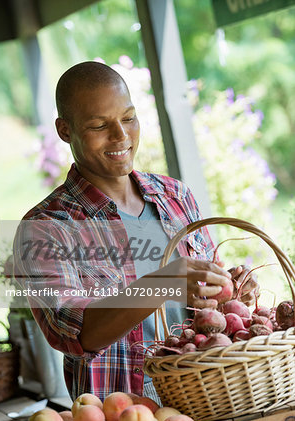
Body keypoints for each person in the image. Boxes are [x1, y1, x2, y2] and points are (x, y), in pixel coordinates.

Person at [13, 61, 259, 402]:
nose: (121, 136)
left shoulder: (176, 196)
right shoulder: (44, 229)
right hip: (124, 416)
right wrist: (162, 282)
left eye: (128, 118)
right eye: (99, 125)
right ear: (64, 130)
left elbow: (208, 300)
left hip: (208, 394)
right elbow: (75, 335)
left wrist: (232, 294)